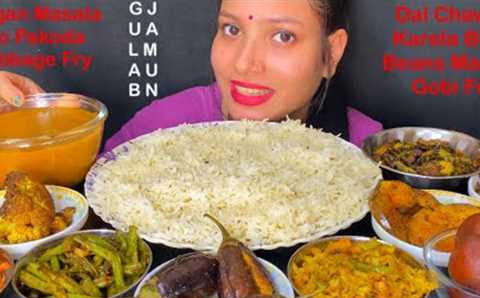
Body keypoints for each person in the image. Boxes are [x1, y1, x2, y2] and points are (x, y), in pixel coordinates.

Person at [0, 0, 382, 151]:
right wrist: (20, 129)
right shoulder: (157, 129)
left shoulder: (374, 152)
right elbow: (67, 212)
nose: (246, 63)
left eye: (283, 36)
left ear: (331, 53)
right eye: (232, 30)